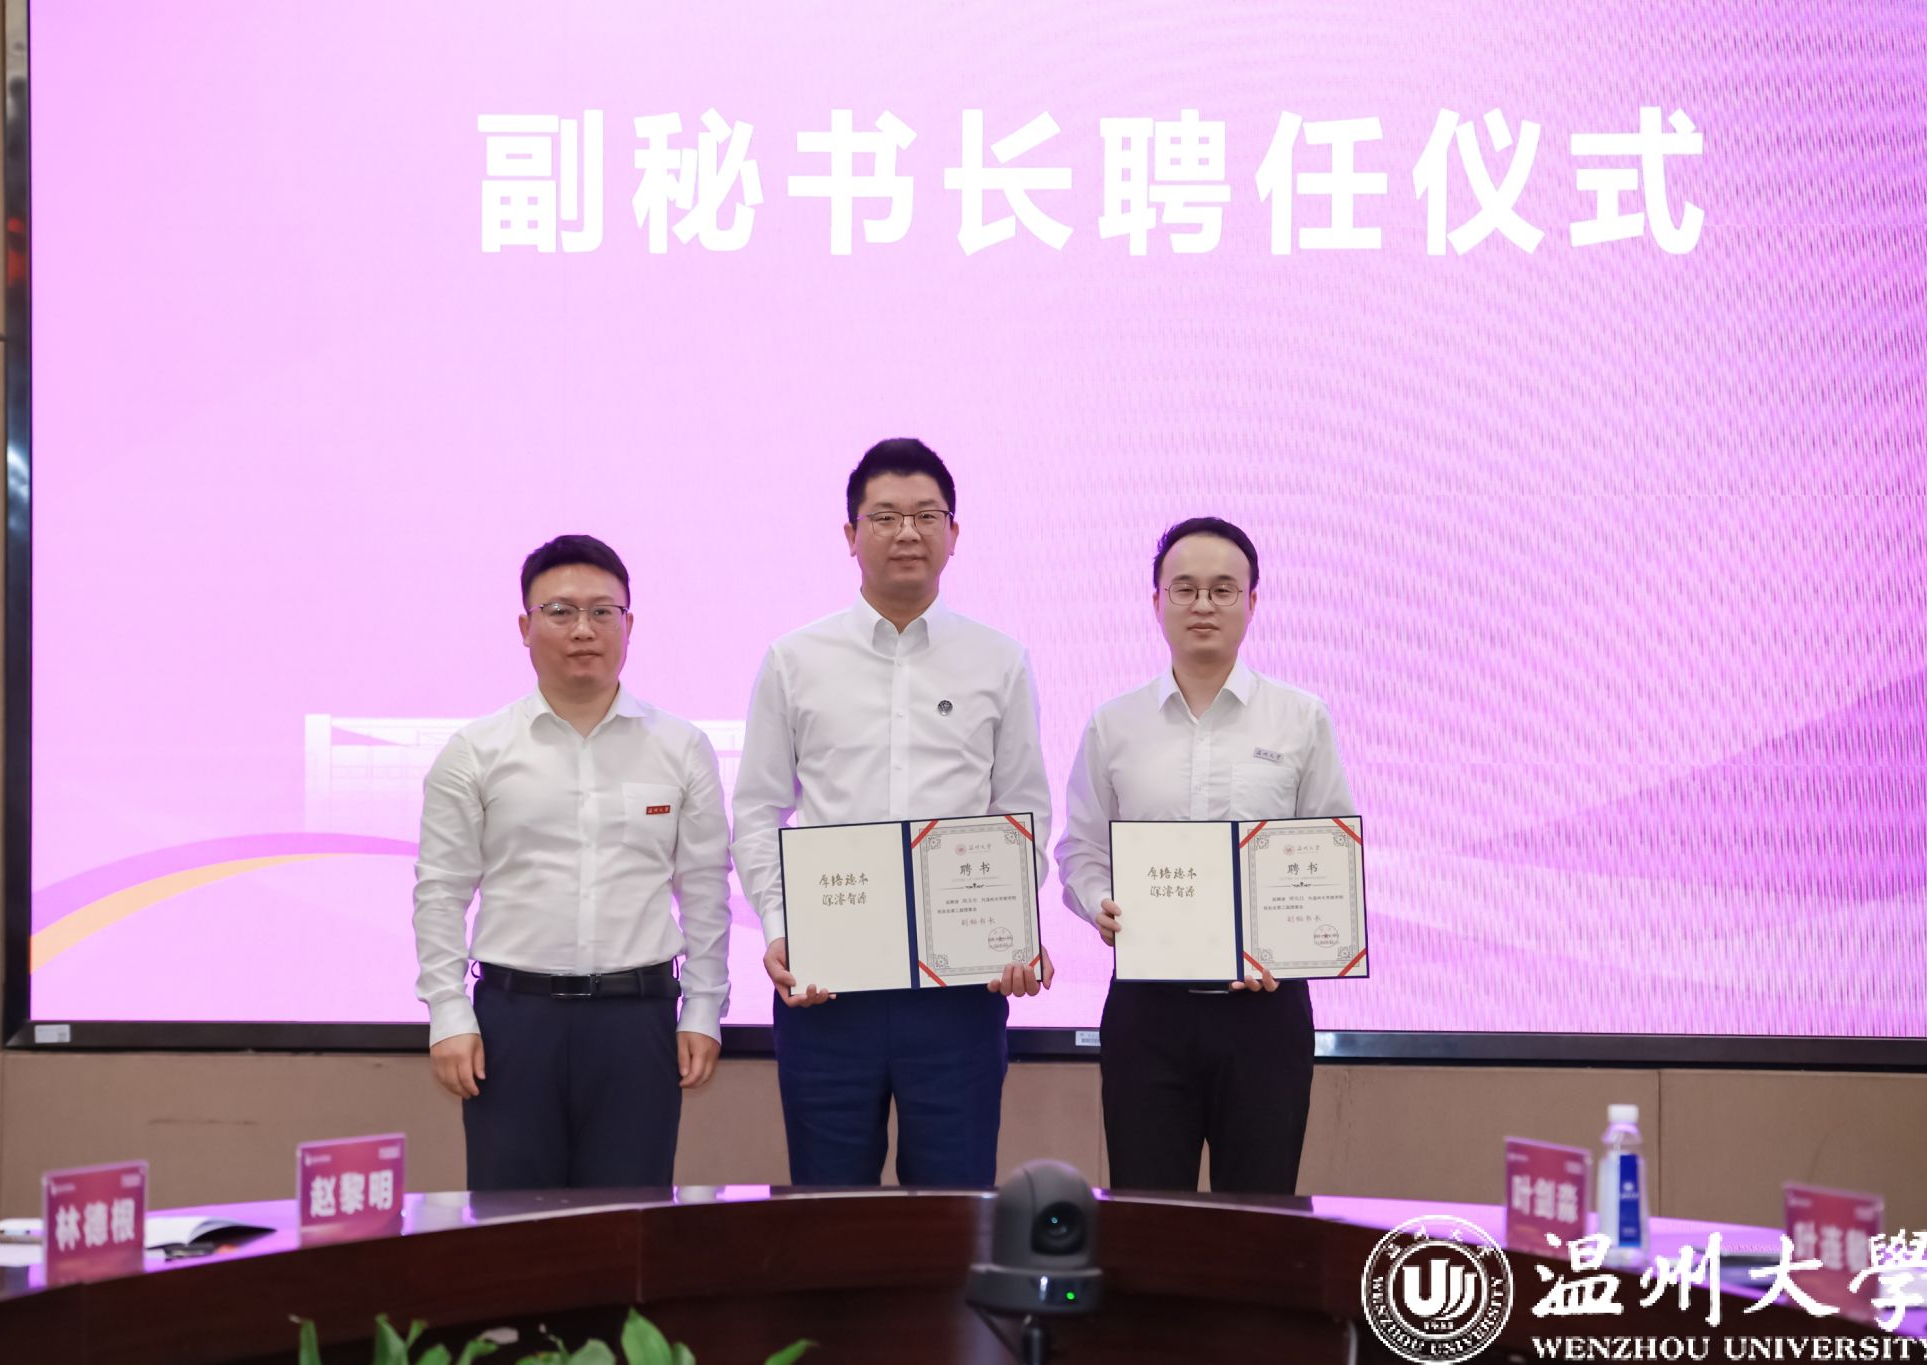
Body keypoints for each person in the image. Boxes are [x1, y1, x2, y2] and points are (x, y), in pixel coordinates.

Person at [731, 438, 1054, 1188]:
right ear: (851, 534)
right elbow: (756, 809)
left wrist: (1009, 927)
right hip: (828, 988)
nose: (906, 532)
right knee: (830, 1210)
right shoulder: (795, 659)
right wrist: (781, 926)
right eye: (884, 516)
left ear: (953, 532)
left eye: (925, 515)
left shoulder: (999, 661)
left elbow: (1023, 813)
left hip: (958, 997)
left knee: (953, 1206)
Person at [412, 534, 731, 1190]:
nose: (583, 629)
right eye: (559, 612)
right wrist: (447, 1011)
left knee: (629, 1222)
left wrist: (704, 1009)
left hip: (637, 1021)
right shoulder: (476, 751)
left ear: (629, 625)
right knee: (513, 1225)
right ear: (524, 627)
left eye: (602, 611)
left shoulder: (680, 746)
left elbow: (704, 890)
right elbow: (440, 893)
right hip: (513, 1021)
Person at [1055, 516, 1355, 1194]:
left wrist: (1290, 945)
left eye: (1223, 590)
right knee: (1149, 1215)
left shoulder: (1301, 718)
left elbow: (1328, 853)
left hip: (1265, 1011)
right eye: (1184, 589)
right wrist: (1098, 903)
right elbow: (1080, 848)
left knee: (1259, 1220)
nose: (1203, 605)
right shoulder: (1114, 723)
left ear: (1253, 602)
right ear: (1156, 601)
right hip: (1147, 1011)